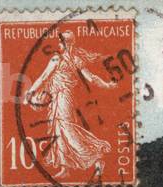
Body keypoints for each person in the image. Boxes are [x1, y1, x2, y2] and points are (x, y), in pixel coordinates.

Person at [23, 30, 117, 178]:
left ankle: (96, 157)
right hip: (59, 97)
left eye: (60, 42)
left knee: (67, 129)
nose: (59, 44)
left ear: (66, 43)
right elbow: (91, 78)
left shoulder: (57, 59)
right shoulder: (76, 59)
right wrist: (107, 85)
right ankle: (64, 168)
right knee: (58, 130)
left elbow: (43, 77)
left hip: (63, 97)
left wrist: (30, 92)